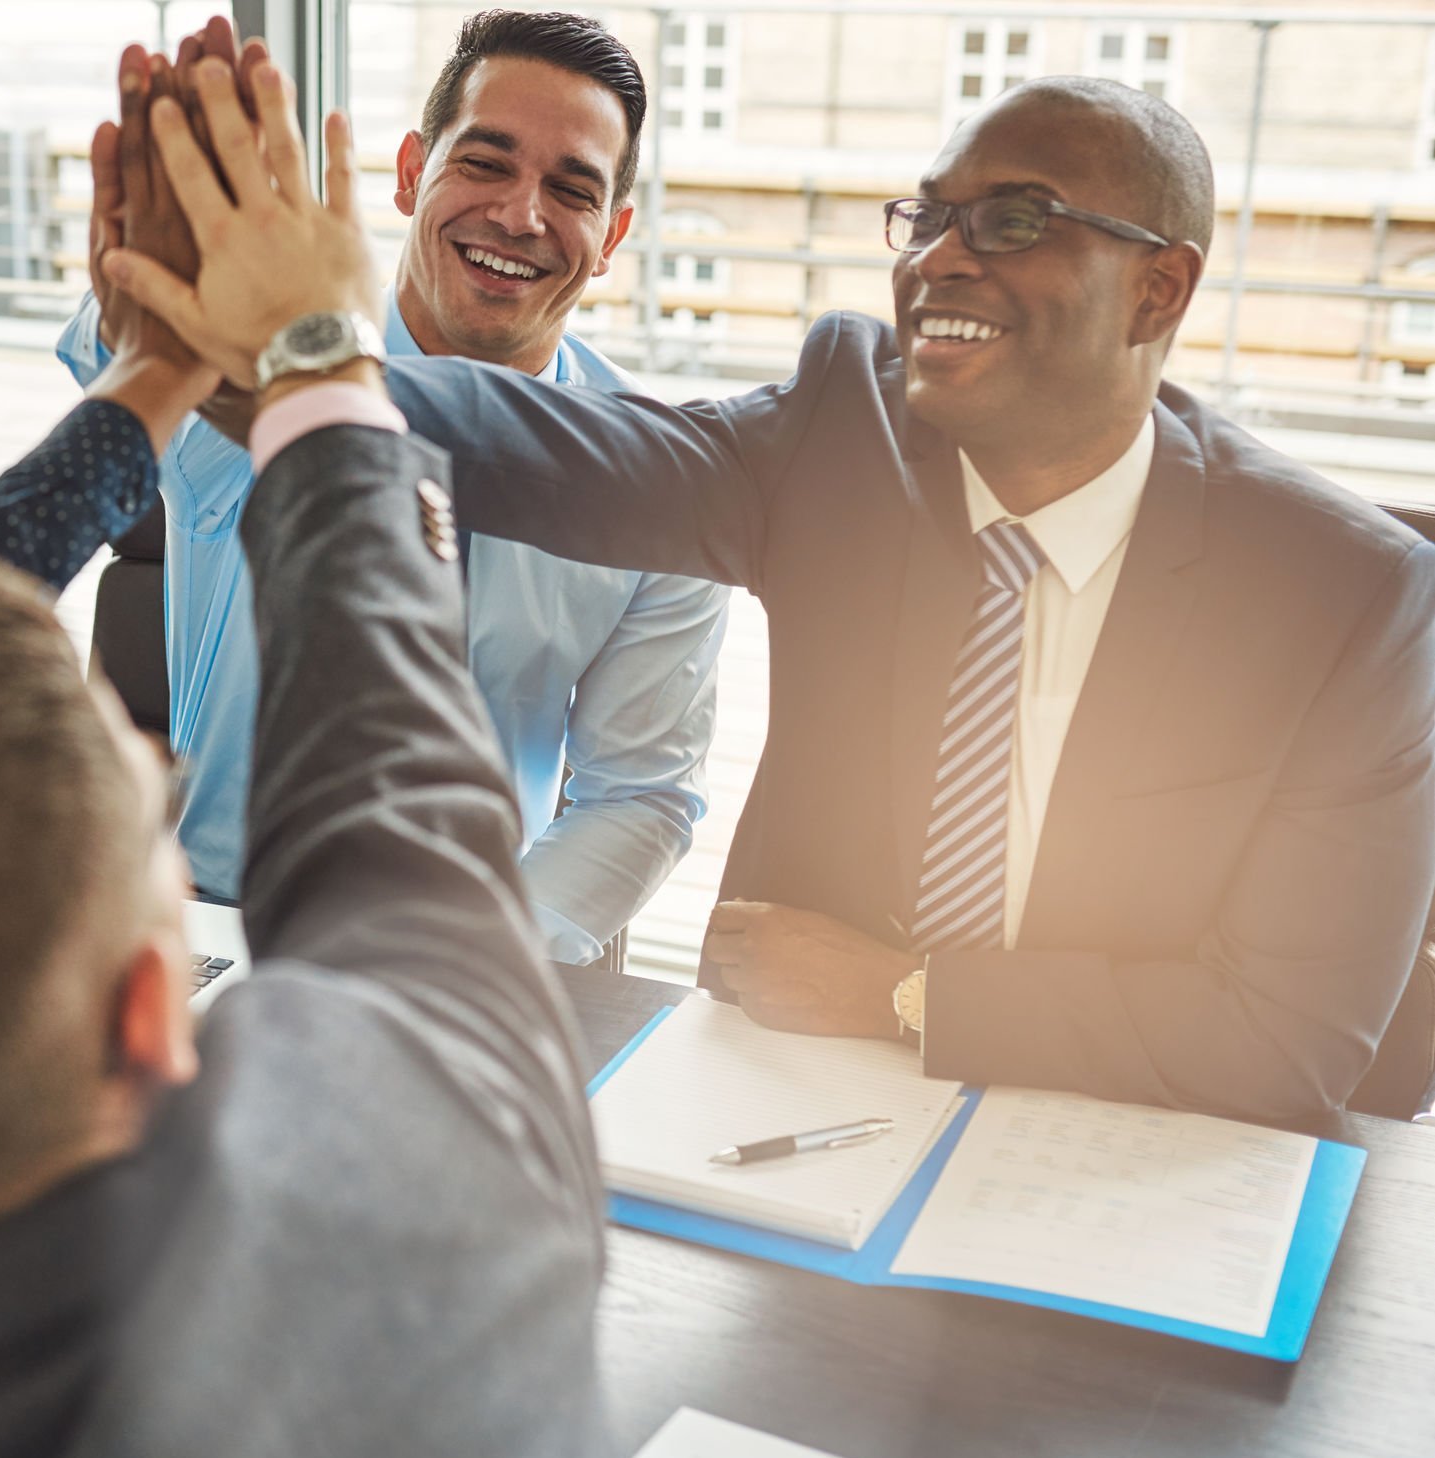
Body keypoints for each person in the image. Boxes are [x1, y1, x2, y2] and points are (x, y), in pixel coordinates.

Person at [0, 54, 608, 1457]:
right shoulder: (443, 1209)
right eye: (148, 813)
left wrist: (163, 366)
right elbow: (411, 844)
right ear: (155, 1012)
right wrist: (324, 363)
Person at [111, 69, 1435, 1121]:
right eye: (927, 218)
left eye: (1013, 220)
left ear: (1162, 284)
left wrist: (912, 995)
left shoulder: (1348, 600)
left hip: (1143, 1157)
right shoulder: (848, 424)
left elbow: (1290, 1041)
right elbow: (549, 450)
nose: (939, 261)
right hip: (784, 1124)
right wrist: (269, 353)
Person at [59, 11, 722, 966]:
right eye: (485, 163)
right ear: (411, 172)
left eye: (569, 189)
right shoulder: (266, 354)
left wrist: (478, 958)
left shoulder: (657, 485)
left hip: (465, 941)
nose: (519, 215)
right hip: (214, 919)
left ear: (612, 233)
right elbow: (112, 342)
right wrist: (191, 279)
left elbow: (640, 794)